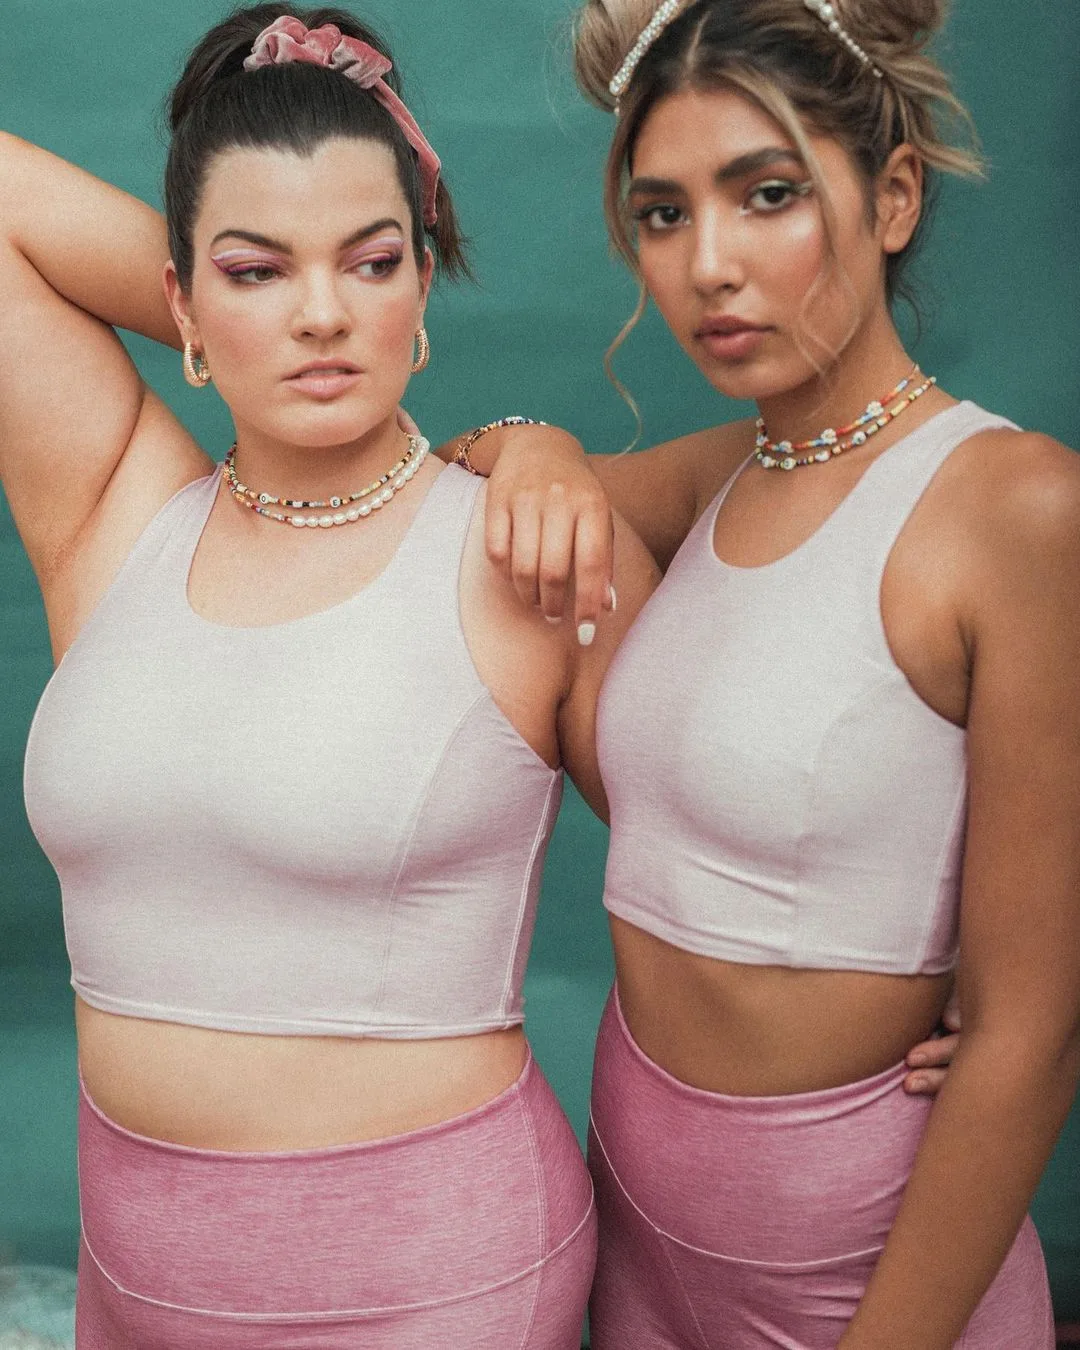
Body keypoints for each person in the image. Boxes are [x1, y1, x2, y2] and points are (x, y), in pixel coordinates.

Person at [2, 5, 660, 1345]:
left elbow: (727, 853)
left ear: (425, 281)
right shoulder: (115, 515)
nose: (320, 315)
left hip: (435, 1279)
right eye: (256, 273)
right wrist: (222, 260)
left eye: (373, 262)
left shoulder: (525, 547)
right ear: (179, 301)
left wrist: (950, 997)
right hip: (135, 1282)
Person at [463, 0, 1080, 1345]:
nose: (710, 264)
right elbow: (469, 484)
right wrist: (540, 444)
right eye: (664, 213)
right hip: (639, 1247)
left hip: (863, 1280)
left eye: (768, 193)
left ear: (893, 195)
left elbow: (1031, 1038)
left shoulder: (1011, 505)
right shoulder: (718, 478)